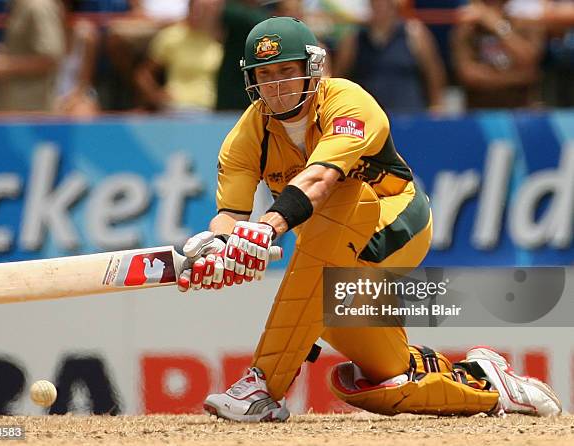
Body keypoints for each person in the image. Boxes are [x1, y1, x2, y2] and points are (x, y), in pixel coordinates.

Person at [177, 16, 562, 422]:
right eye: (265, 74)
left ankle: (262, 387)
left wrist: (266, 227)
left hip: (395, 224)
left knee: (334, 214)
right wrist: (218, 248)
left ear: (312, 68)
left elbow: (322, 177)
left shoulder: (348, 101)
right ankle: (490, 385)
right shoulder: (246, 135)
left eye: (286, 71)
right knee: (384, 382)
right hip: (330, 250)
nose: (275, 87)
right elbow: (229, 215)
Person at [334, 0, 446, 114]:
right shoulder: (354, 39)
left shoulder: (414, 33)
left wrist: (436, 105)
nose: (380, 7)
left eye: (385, 3)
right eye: (375, 3)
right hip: (368, 117)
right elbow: (340, 76)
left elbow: (433, 72)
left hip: (409, 115)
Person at [451, 0, 544, 110]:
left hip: (521, 111)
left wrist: (498, 27)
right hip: (479, 113)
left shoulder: (528, 25)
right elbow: (469, 76)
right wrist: (516, 77)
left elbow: (529, 63)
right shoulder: (466, 30)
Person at [134, 0, 223, 114]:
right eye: (197, 10)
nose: (199, 14)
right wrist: (156, 96)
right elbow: (143, 74)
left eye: (205, 11)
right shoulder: (171, 36)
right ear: (189, 9)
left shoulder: (219, 39)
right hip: (175, 108)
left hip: (212, 110)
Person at [0, 0, 66, 113]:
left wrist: (3, 65)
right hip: (12, 109)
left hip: (31, 113)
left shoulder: (39, 6)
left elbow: (50, 58)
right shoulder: (19, 5)